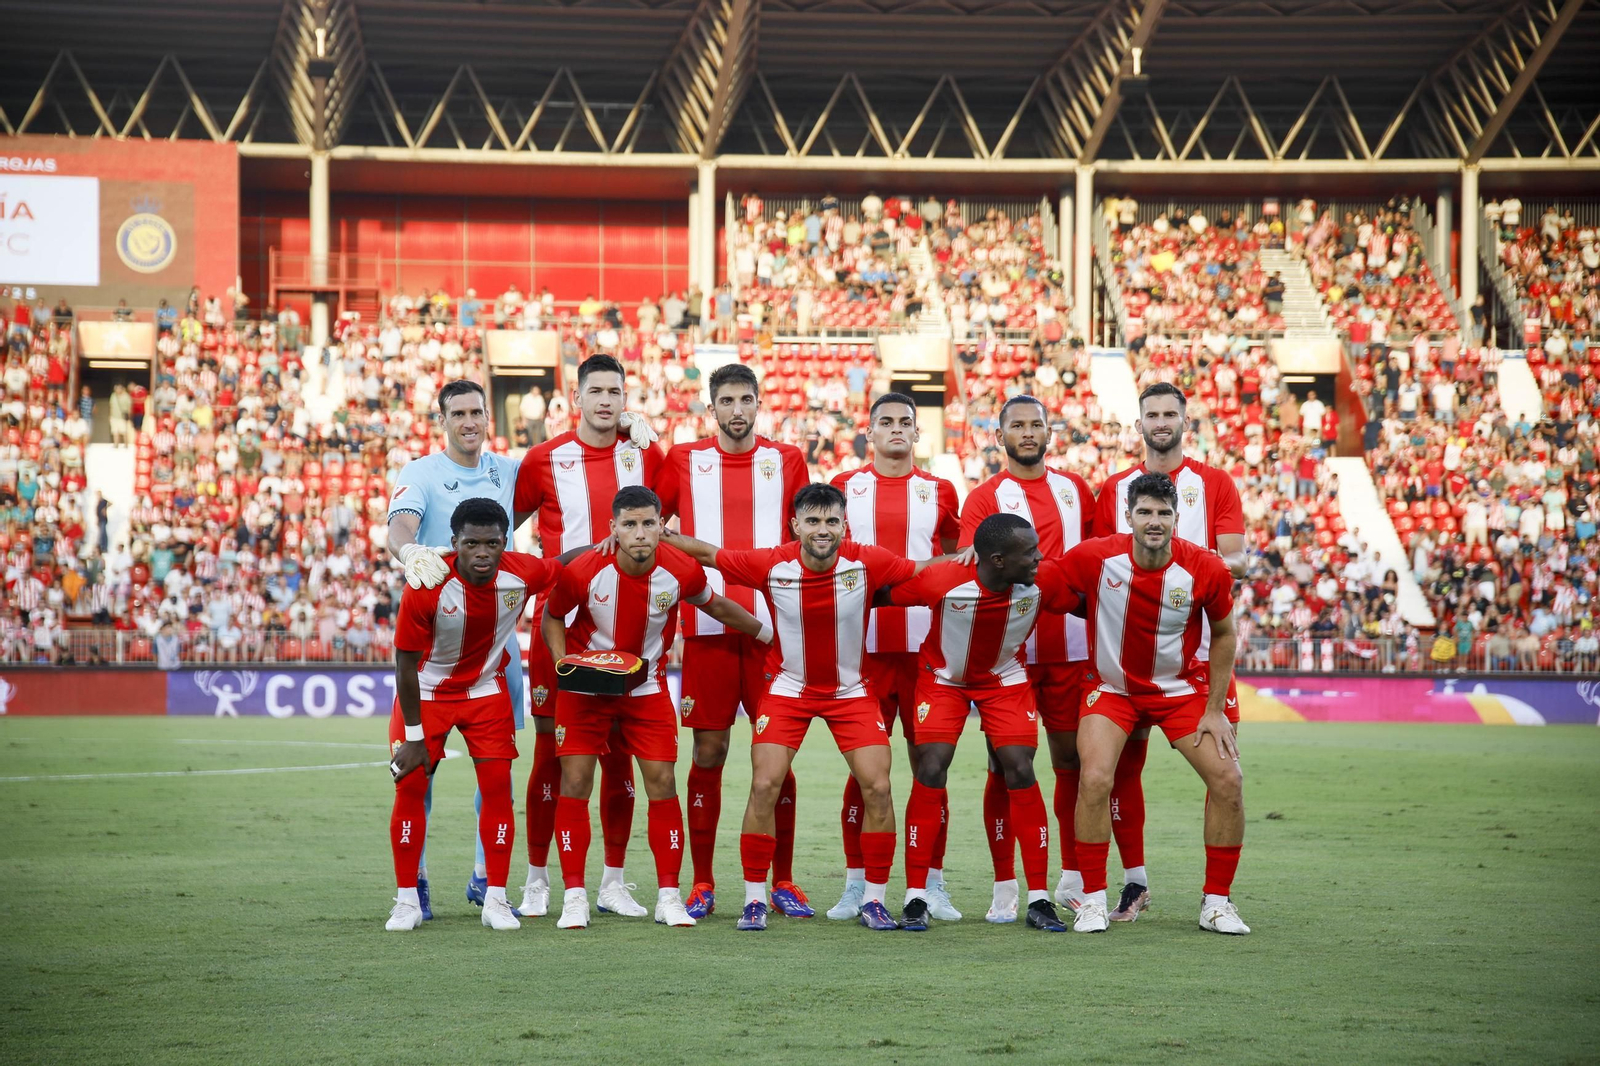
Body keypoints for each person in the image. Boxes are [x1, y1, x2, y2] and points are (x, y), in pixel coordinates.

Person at [665, 484, 940, 932]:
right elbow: (711, 555)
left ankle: (873, 900)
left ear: (844, 525)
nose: (822, 530)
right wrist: (658, 535)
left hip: (850, 692)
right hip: (788, 689)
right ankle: (755, 899)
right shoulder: (773, 563)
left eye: (831, 521)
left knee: (877, 787)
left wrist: (973, 554)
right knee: (764, 784)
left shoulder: (867, 560)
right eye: (812, 521)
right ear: (796, 525)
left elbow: (924, 569)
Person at [541, 486, 771, 930]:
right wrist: (563, 664)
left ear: (661, 525)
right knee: (576, 781)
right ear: (613, 528)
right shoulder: (585, 571)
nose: (640, 533)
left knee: (663, 782)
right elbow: (552, 615)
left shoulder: (681, 569)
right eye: (629, 524)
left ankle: (668, 897)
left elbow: (717, 605)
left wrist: (767, 635)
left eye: (648, 523)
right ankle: (574, 897)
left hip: (646, 688)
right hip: (586, 691)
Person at [652, 363, 811, 920]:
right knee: (709, 753)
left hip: (774, 632)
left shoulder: (787, 459)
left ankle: (783, 880)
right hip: (707, 630)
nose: (737, 410)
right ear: (711, 407)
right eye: (727, 401)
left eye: (746, 400)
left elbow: (807, 534)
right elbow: (650, 526)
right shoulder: (683, 459)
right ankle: (702, 882)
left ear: (759, 403)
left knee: (777, 759)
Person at [1059, 473, 1249, 935]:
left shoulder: (1205, 567)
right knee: (1095, 778)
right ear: (1129, 517)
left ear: (1177, 518)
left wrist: (1214, 709)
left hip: (1179, 690)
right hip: (1113, 689)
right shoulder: (1094, 556)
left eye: (1164, 512)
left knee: (1228, 779)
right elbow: (1042, 580)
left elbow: (1225, 635)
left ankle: (1217, 903)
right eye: (1145, 512)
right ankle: (1093, 900)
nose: (1154, 521)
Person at [514, 354, 662, 919]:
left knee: (620, 755)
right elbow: (501, 528)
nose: (605, 400)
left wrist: (655, 439)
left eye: (614, 392)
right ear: (576, 398)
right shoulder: (543, 459)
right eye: (595, 391)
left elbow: (666, 521)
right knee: (551, 758)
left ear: (626, 400)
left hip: (626, 626)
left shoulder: (644, 454)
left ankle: (613, 883)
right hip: (560, 625)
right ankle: (536, 879)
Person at [1091, 382, 1246, 921]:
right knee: (1119, 771)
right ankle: (1134, 883)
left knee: (1222, 771)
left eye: (1169, 414)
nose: (1161, 422)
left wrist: (1185, 563)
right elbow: (1098, 562)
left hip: (1198, 660)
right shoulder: (1114, 489)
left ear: (1185, 421)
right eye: (1152, 414)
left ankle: (1216, 899)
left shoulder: (1215, 483)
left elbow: (1237, 559)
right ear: (1139, 425)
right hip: (1127, 659)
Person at [884, 513, 1080, 932]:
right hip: (944, 679)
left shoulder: (1043, 581)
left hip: (1004, 680)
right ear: (997, 560)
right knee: (931, 765)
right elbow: (884, 593)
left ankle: (1039, 899)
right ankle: (916, 896)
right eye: (1029, 552)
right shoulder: (943, 580)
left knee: (1020, 767)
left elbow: (1088, 602)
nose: (1039, 558)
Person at [384, 498, 566, 932]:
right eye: (471, 544)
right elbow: (404, 666)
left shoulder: (522, 573)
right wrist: (414, 737)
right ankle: (407, 901)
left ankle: (496, 899)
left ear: (505, 543)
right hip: (427, 692)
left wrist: (607, 545)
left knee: (498, 790)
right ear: (455, 543)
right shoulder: (427, 584)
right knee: (410, 786)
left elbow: (563, 564)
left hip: (486, 691)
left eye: (492, 544)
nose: (482, 553)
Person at [386, 380, 523, 921]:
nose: (469, 422)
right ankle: (415, 882)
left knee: (497, 774)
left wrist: (621, 432)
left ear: (488, 418)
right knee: (417, 772)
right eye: (458, 413)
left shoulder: (509, 471)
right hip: (435, 647)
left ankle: (486, 877)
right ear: (441, 420)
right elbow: (400, 526)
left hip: (494, 648)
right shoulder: (420, 473)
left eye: (476, 412)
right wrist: (410, 552)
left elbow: (567, 473)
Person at [957, 395, 1094, 923]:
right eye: (1018, 425)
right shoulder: (984, 498)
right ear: (1000, 436)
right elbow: (972, 570)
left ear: (1050, 432)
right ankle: (1004, 885)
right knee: (1003, 765)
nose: (1029, 432)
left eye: (1037, 424)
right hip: (1007, 655)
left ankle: (1072, 878)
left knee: (1070, 762)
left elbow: (1096, 559)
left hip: (1068, 649)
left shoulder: (1075, 490)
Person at [825, 393, 960, 923]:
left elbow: (954, 560)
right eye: (886, 421)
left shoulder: (940, 490)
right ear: (870, 432)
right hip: (863, 654)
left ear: (917, 433)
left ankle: (931, 885)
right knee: (865, 773)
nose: (897, 428)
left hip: (927, 653)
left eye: (906, 421)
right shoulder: (845, 486)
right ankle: (856, 884)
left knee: (931, 768)